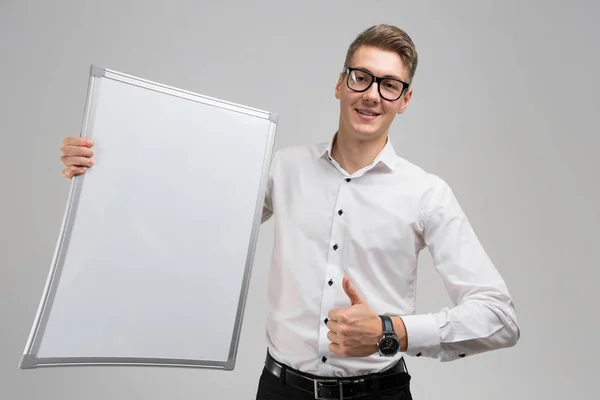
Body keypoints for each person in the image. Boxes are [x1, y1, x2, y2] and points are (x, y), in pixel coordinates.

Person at [59, 24, 520, 400]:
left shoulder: (426, 193)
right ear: (340, 83)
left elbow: (499, 317)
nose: (372, 94)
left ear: (404, 100)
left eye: (389, 85)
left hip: (379, 395)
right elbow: (189, 212)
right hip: (281, 392)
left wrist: (392, 331)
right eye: (361, 77)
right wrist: (105, 166)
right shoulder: (284, 168)